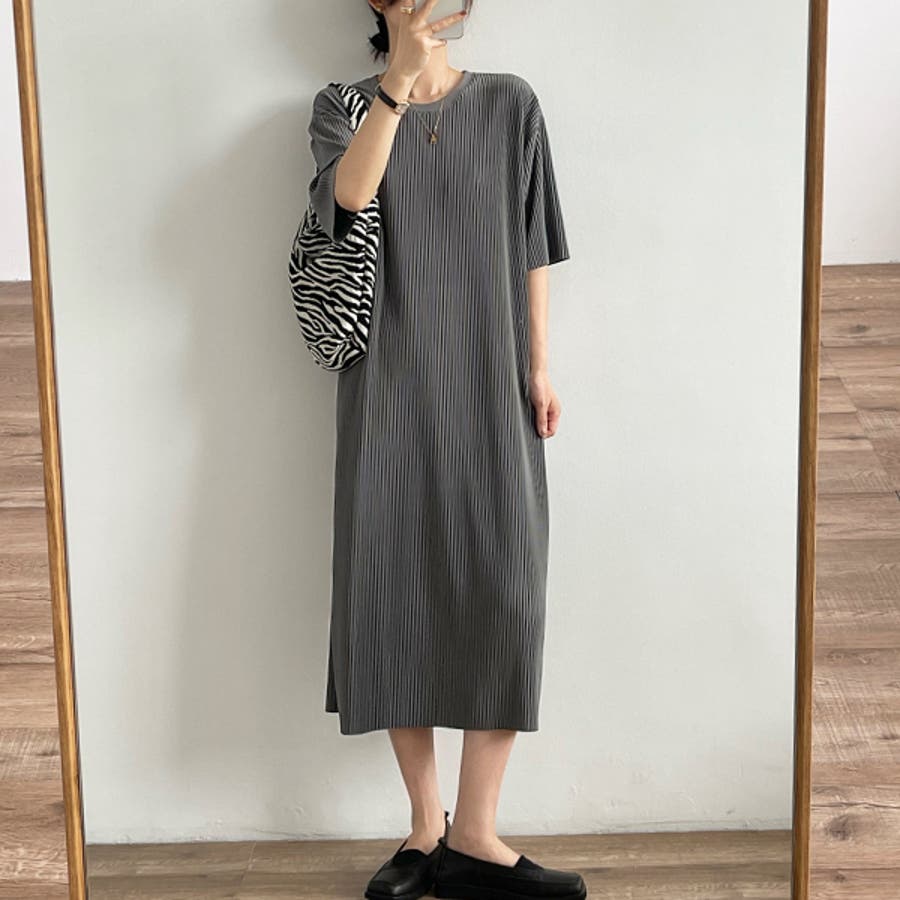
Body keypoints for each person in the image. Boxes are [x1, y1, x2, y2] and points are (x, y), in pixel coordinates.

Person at [304, 2, 584, 897]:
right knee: (392, 588)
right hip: (387, 387)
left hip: (492, 384)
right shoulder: (342, 105)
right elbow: (349, 199)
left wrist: (539, 367)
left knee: (506, 591)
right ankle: (425, 830)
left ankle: (477, 833)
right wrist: (397, 82)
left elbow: (533, 245)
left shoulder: (510, 103)